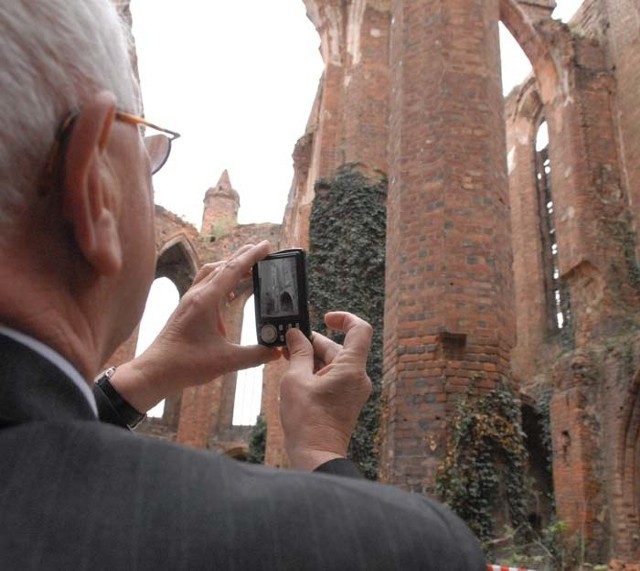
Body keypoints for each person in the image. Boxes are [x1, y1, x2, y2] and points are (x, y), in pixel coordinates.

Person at [0, 1, 486, 569]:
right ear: (95, 187)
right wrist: (323, 451)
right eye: (149, 149)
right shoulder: (393, 548)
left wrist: (140, 379)